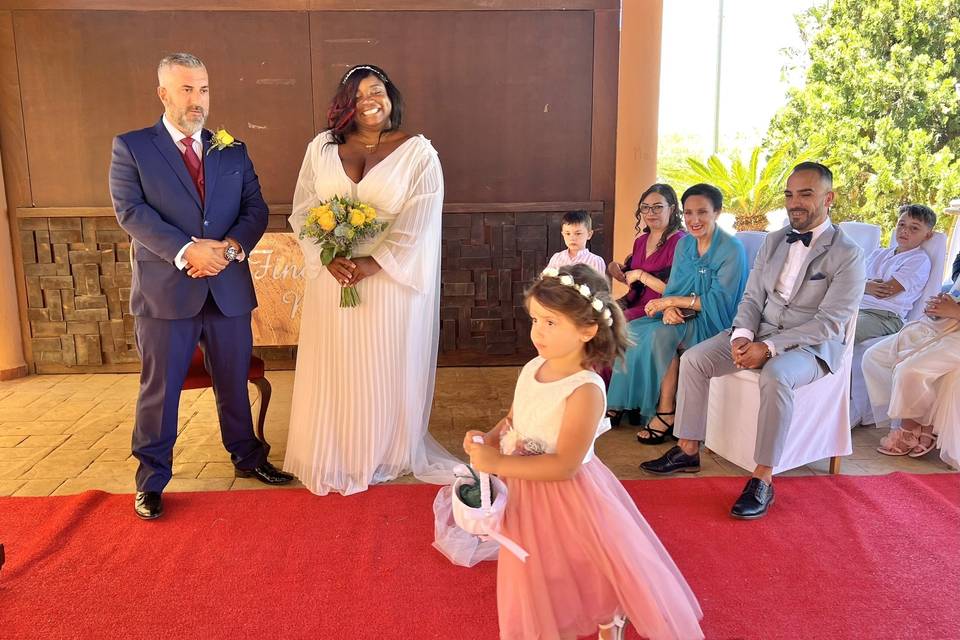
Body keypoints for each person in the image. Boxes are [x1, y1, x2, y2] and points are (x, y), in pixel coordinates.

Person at [464, 264, 703, 640]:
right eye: (535, 320)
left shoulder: (585, 390)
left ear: (588, 329)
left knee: (585, 563)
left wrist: (497, 462)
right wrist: (490, 438)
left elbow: (564, 465)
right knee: (537, 569)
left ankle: (609, 614)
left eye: (551, 323)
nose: (537, 331)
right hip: (523, 490)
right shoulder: (532, 367)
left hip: (567, 494)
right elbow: (514, 419)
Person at [109, 52, 292, 520]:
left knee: (233, 381)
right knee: (161, 389)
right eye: (187, 89)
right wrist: (189, 251)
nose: (198, 100)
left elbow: (256, 209)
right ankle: (151, 480)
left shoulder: (232, 148)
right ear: (163, 93)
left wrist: (228, 250)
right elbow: (132, 213)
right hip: (167, 293)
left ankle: (248, 457)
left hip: (227, 288)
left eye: (204, 89)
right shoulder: (132, 147)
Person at [641, 162, 865, 519]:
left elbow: (831, 322)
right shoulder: (774, 240)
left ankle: (763, 477)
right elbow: (751, 298)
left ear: (829, 198)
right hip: (758, 331)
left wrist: (771, 347)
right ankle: (687, 448)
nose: (795, 202)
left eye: (806, 194)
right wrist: (743, 335)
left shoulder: (848, 253)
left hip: (809, 347)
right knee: (696, 359)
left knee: (776, 374)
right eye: (790, 194)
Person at [284, 64, 458, 495]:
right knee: (338, 364)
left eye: (376, 91)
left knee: (380, 366)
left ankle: (383, 449)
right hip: (335, 278)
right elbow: (304, 208)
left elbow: (420, 219)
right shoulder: (321, 148)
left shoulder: (419, 153)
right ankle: (337, 449)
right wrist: (328, 257)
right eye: (359, 95)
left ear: (391, 96)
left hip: (389, 283)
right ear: (346, 103)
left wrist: (373, 263)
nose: (370, 101)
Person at [607, 184, 747, 442]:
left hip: (716, 319)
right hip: (683, 313)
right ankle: (630, 405)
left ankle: (666, 412)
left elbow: (720, 301)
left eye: (702, 212)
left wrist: (670, 302)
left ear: (717, 211)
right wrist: (670, 306)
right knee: (632, 329)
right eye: (690, 212)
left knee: (661, 335)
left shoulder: (731, 249)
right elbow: (675, 287)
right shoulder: (687, 247)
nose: (694, 220)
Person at [864, 276, 960, 467]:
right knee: (874, 357)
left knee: (909, 371)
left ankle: (910, 428)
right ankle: (920, 420)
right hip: (941, 326)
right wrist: (938, 306)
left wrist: (956, 311)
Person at [855, 204, 935, 343]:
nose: (904, 230)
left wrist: (862, 285)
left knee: (835, 330)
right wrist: (866, 286)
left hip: (883, 317)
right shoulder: (879, 253)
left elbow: (884, 291)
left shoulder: (919, 260)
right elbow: (848, 279)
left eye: (914, 228)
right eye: (901, 224)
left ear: (928, 235)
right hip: (855, 307)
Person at [608, 184, 686, 323]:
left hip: (659, 308)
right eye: (645, 207)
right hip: (632, 301)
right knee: (594, 314)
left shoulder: (680, 242)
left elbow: (675, 290)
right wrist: (615, 269)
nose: (650, 212)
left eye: (657, 207)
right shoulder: (640, 241)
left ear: (672, 209)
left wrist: (640, 275)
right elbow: (635, 282)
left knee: (611, 322)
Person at [546, 209, 607, 275]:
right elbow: (546, 280)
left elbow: (599, 284)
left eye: (578, 233)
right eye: (568, 233)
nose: (572, 238)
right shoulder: (557, 258)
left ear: (589, 234)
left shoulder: (595, 261)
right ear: (563, 234)